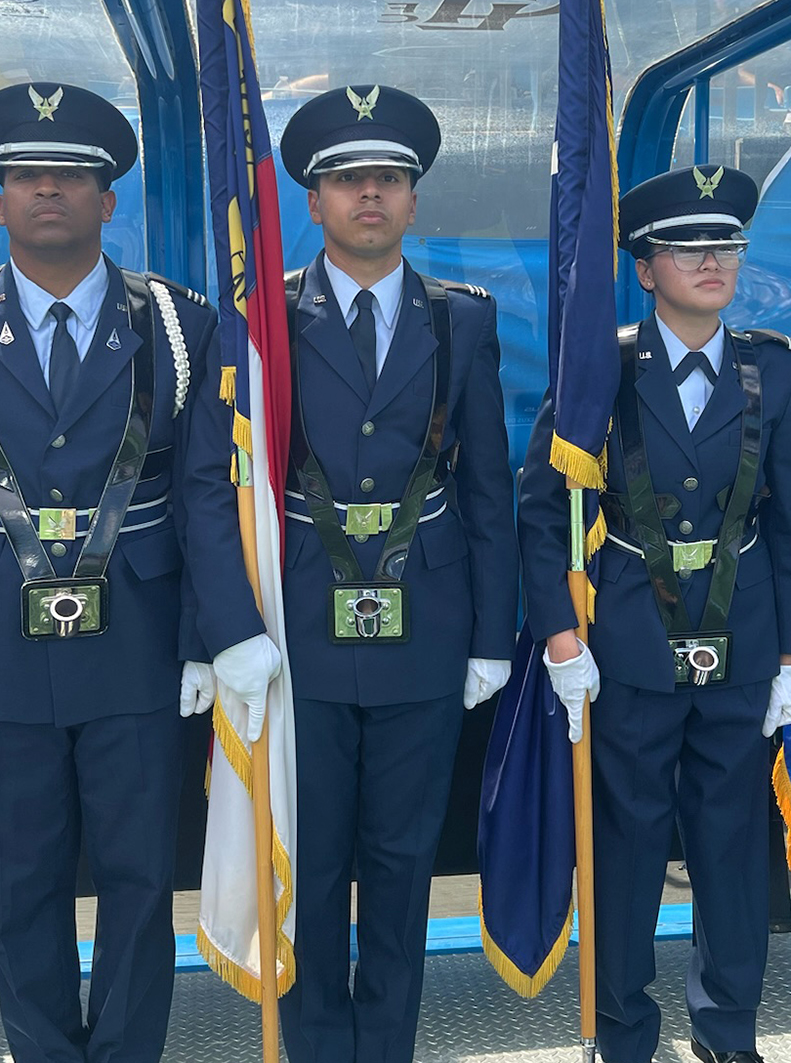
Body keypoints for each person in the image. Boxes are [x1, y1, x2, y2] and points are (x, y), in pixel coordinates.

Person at [0, 82, 269, 1063]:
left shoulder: (178, 325)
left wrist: (213, 640)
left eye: (72, 175)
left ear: (108, 199)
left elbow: (204, 493)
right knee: (18, 880)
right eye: (24, 175)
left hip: (136, 642)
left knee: (139, 879)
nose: (48, 188)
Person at [519, 166, 791, 1063]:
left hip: (744, 643)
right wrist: (562, 638)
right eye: (687, 247)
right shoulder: (599, 370)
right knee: (628, 850)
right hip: (631, 644)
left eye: (726, 245)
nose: (711, 261)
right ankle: (625, 1033)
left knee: (727, 850)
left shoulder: (773, 367)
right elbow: (539, 511)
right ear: (646, 267)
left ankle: (728, 1031)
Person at [266, 84, 517, 1063]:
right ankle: (317, 1046)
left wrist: (491, 636)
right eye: (347, 181)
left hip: (424, 619)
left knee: (402, 861)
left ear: (413, 201)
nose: (368, 195)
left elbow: (489, 488)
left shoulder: (460, 323)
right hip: (304, 624)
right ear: (314, 199)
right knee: (315, 863)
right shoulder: (267, 320)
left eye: (387, 179)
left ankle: (385, 1048)